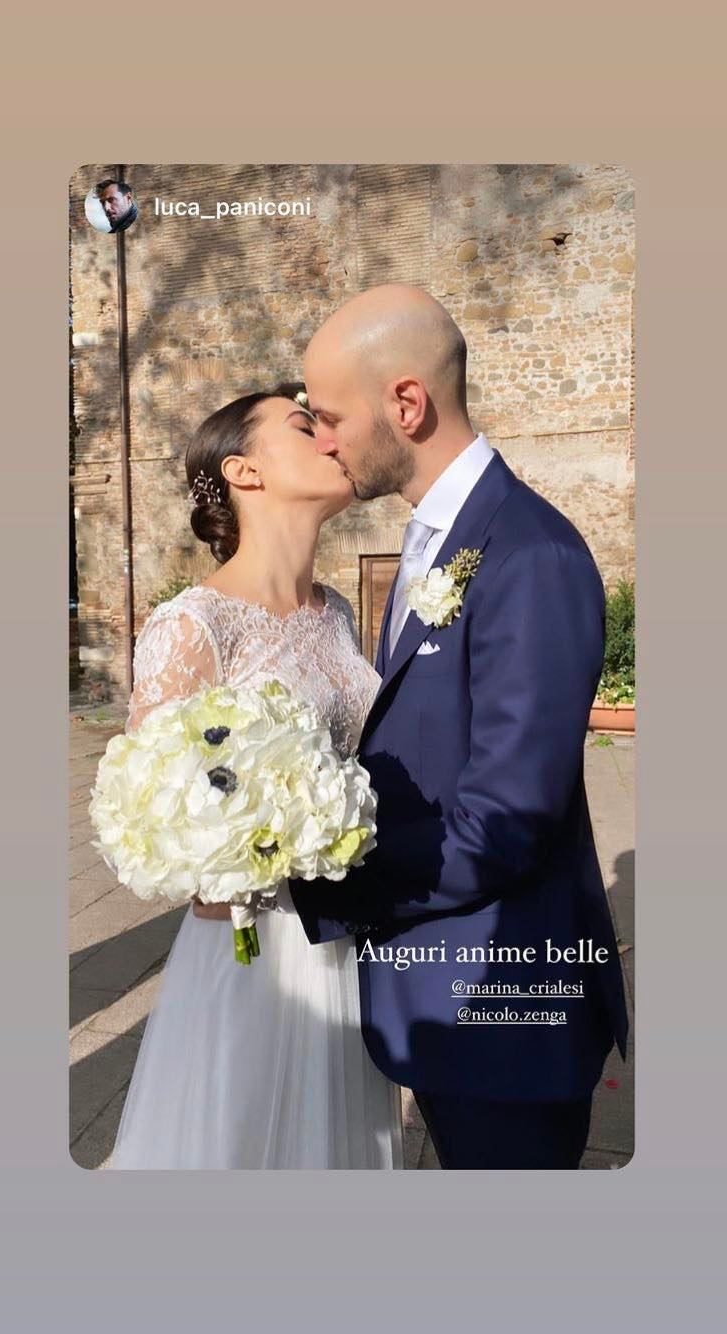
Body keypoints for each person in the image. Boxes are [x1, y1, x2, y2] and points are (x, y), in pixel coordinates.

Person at [290, 284, 630, 1169]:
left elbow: (505, 823)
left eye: (330, 417)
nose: (321, 439)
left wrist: (319, 877)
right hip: (444, 997)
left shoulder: (532, 554)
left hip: (506, 1012)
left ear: (406, 403)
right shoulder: (436, 538)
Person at [110, 382, 403, 1169]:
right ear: (244, 472)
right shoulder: (194, 624)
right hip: (255, 954)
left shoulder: (336, 612)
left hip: (344, 940)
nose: (331, 438)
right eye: (305, 426)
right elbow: (142, 803)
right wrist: (233, 858)